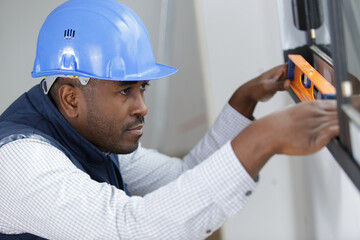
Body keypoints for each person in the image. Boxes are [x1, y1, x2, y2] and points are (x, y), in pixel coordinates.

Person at [0, 0, 338, 239]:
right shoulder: (20, 160)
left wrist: (243, 102)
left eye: (142, 87)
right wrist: (262, 139)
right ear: (71, 98)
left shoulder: (92, 136)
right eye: (124, 91)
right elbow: (125, 230)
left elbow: (182, 178)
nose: (142, 106)